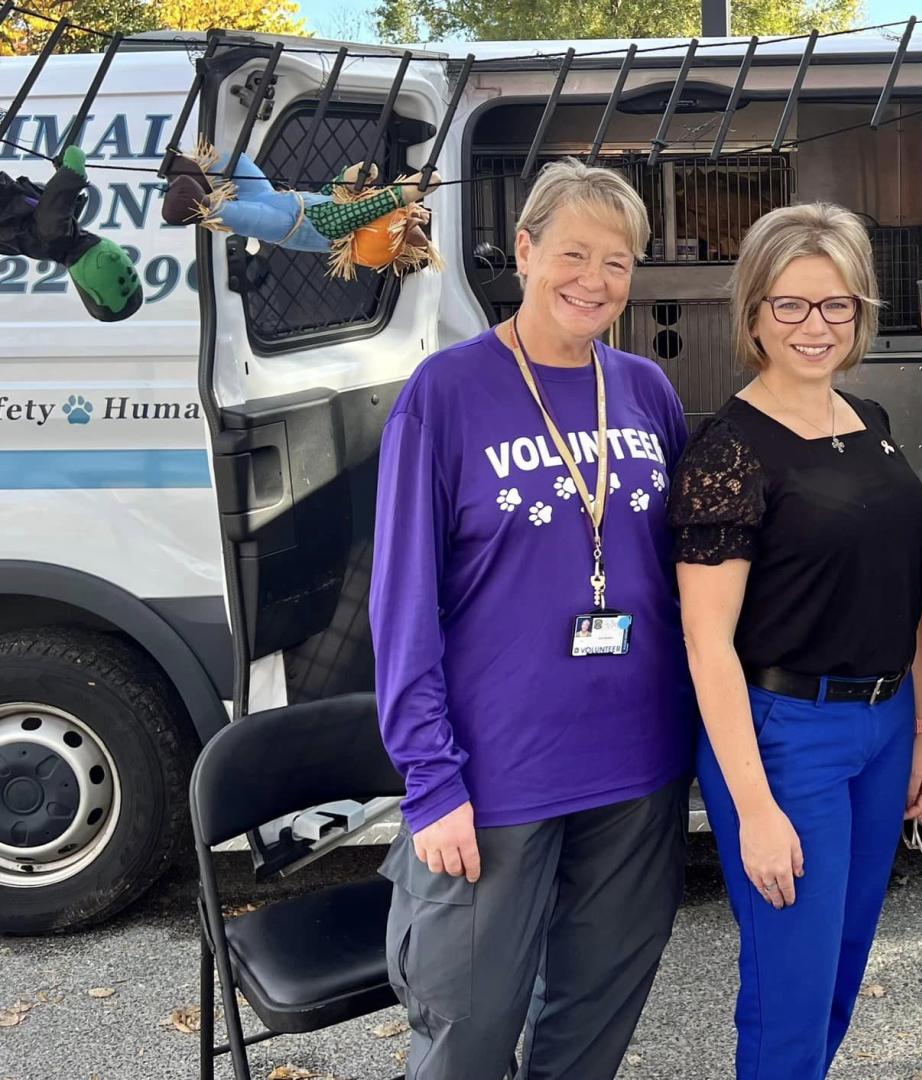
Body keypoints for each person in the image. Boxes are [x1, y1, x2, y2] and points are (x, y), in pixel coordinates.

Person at [369, 159, 694, 1080]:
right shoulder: (446, 393)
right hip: (495, 775)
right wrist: (430, 780)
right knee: (466, 1035)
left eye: (619, 262)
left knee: (591, 1032)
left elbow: (679, 575)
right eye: (573, 253)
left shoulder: (645, 391)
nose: (594, 280)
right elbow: (402, 602)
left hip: (637, 768)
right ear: (524, 250)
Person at [669, 202, 922, 1079]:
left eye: (836, 306)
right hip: (786, 737)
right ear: (753, 314)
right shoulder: (727, 452)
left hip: (885, 722)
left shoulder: (869, 418)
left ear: (861, 313)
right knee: (789, 989)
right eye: (790, 305)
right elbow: (707, 644)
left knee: (840, 973)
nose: (814, 326)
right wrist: (752, 809)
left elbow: (900, 592)